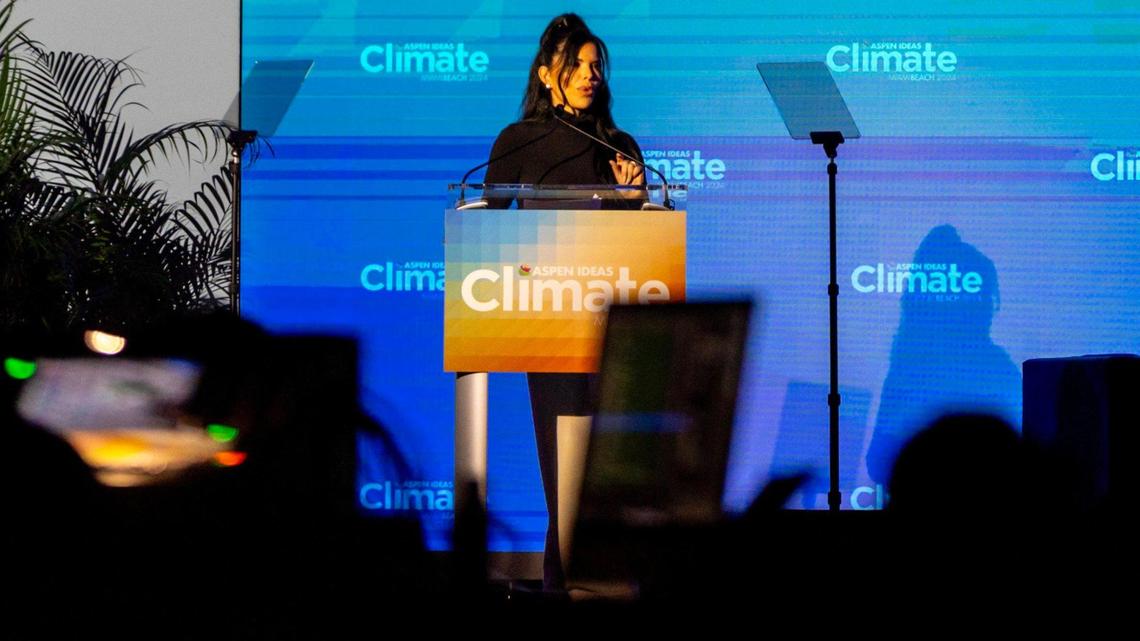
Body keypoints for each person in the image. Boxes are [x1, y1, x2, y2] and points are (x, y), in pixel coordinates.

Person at [482, 13, 644, 591]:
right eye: (576, 64)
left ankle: (592, 582)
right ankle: (563, 583)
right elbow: (486, 234)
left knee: (609, 475)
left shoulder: (620, 147)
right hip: (550, 321)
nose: (589, 73)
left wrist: (635, 202)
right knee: (564, 473)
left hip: (613, 331)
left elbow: (638, 247)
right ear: (548, 75)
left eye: (596, 64)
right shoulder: (518, 143)